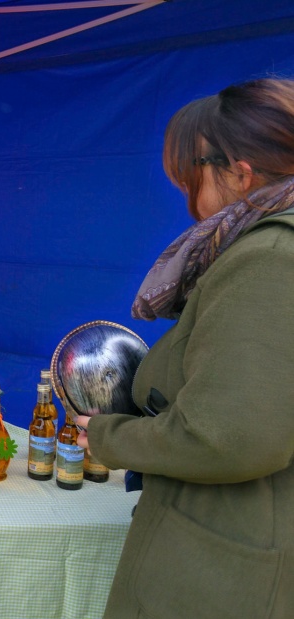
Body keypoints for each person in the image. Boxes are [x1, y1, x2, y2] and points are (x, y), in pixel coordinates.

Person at [77, 78, 294, 618]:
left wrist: (111, 437)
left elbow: (231, 439)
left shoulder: (270, 257)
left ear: (239, 173)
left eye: (190, 180)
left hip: (223, 567)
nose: (189, 201)